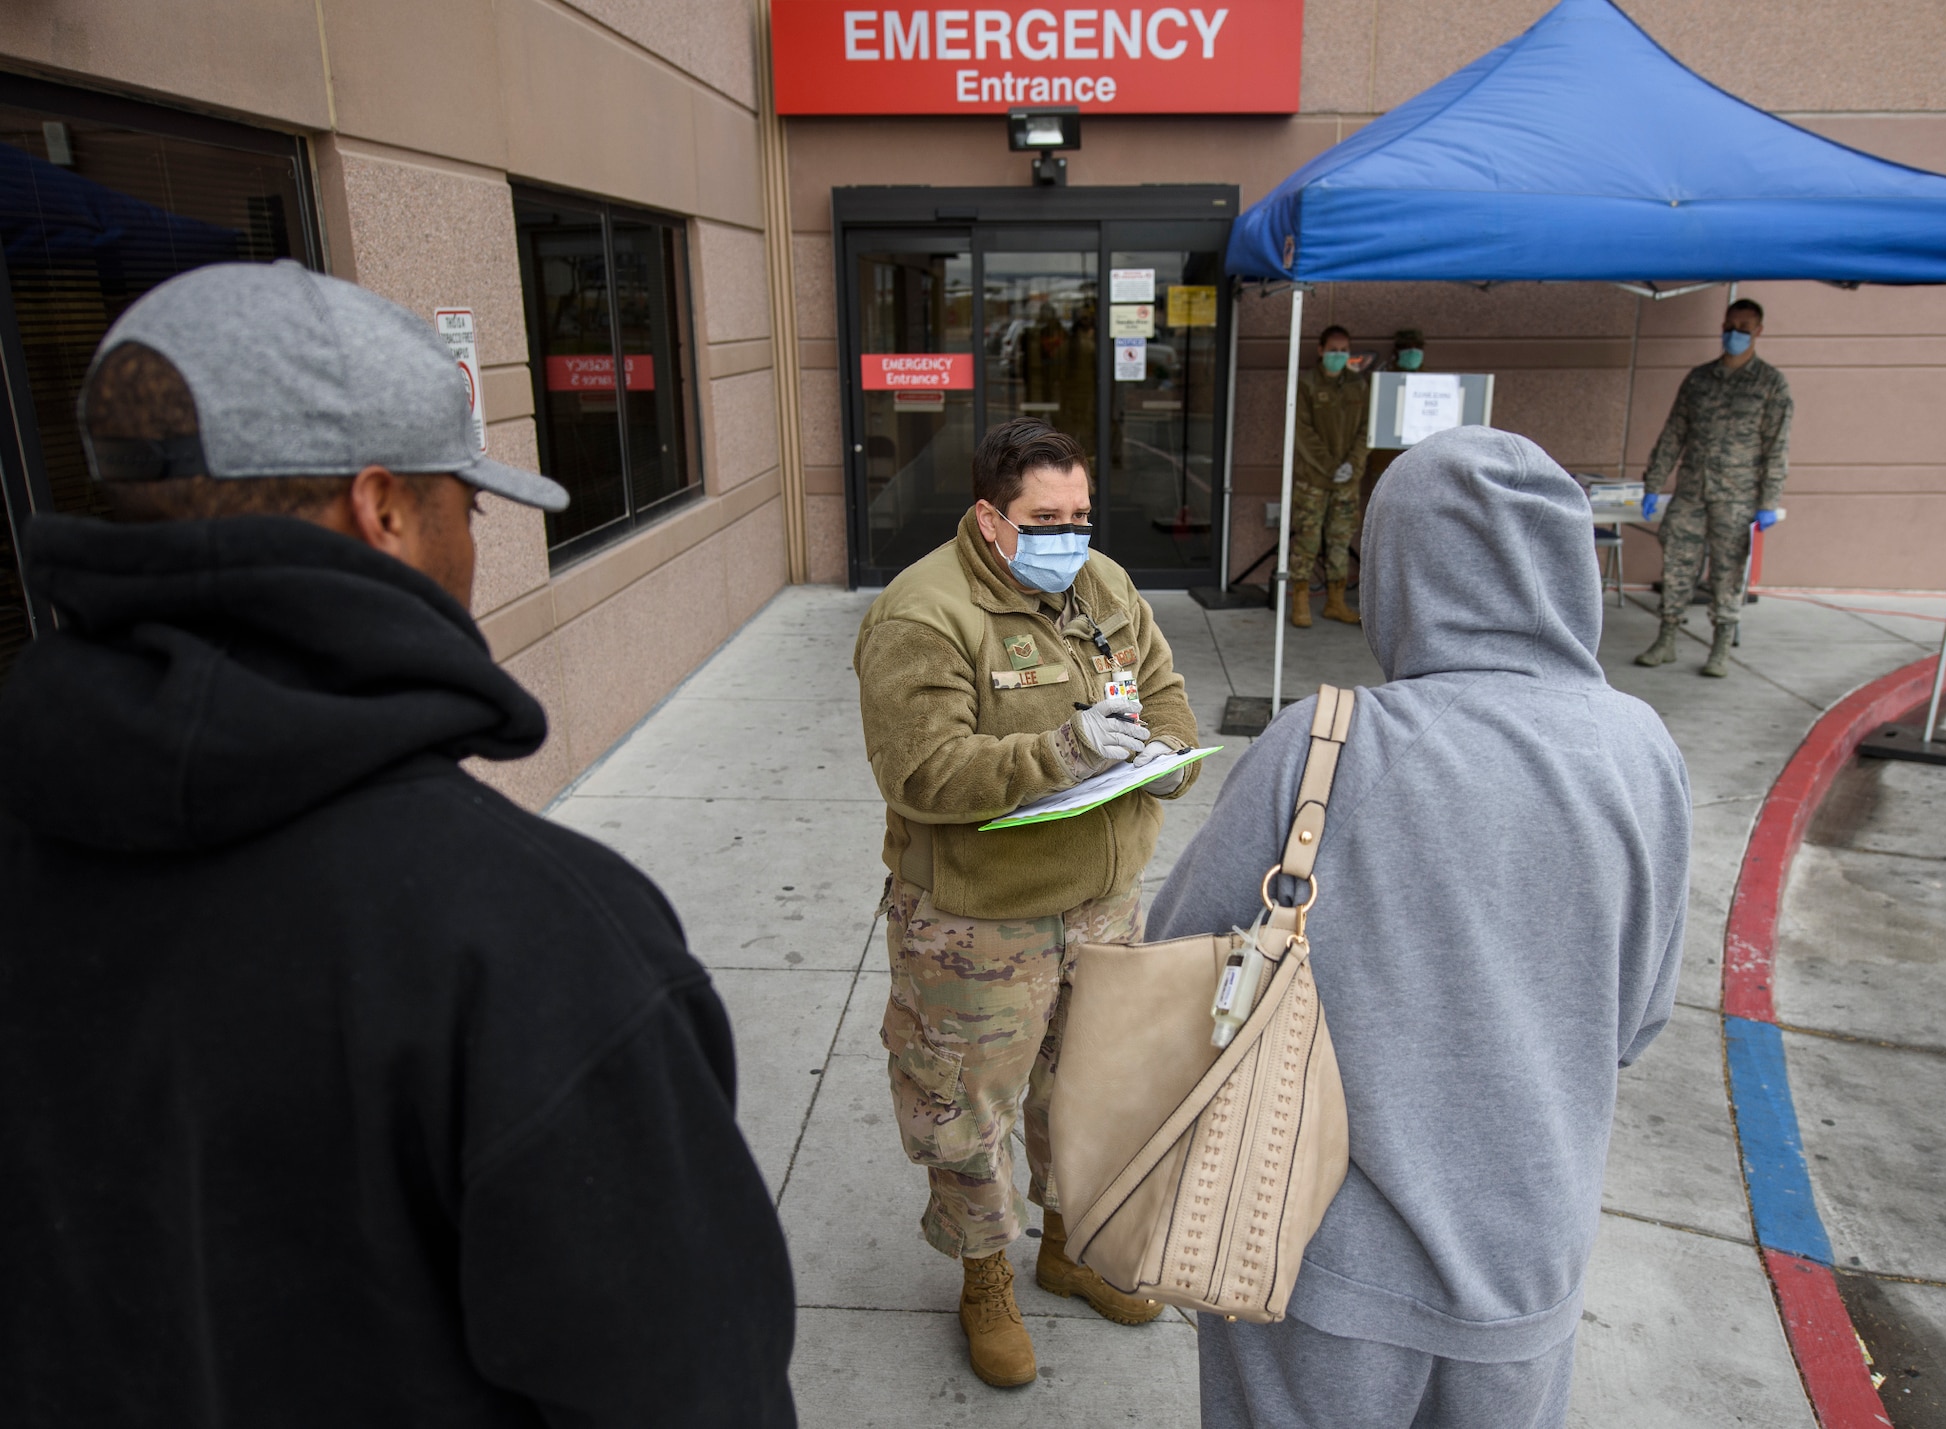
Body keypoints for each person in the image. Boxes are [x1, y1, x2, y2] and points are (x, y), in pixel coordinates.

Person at [0, 262, 797, 1428]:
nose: (472, 547)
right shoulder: (534, 938)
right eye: (464, 507)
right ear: (379, 508)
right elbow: (689, 1389)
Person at [1152, 426, 1690, 1429]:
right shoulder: (1642, 752)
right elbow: (1636, 1019)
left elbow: (1173, 964)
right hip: (1529, 1269)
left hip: (1316, 1266)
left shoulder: (1320, 745)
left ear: (1399, 569)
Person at [852, 417, 1202, 1388]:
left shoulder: (1102, 587)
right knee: (967, 1109)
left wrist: (1167, 757)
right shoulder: (922, 614)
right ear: (990, 519)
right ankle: (983, 1279)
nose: (1068, 534)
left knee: (1084, 1097)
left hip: (1101, 904)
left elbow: (1165, 692)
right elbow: (920, 770)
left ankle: (1066, 1245)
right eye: (1045, 518)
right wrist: (1064, 750)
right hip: (979, 924)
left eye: (1080, 514)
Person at [1635, 297, 1793, 678]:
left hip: (1737, 498)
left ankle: (1720, 647)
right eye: (1729, 325)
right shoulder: (1699, 379)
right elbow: (1674, 433)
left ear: (1758, 331)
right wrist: (1653, 483)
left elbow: (1777, 447)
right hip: (1692, 492)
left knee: (1727, 573)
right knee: (1677, 564)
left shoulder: (1770, 384)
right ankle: (1667, 638)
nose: (1734, 333)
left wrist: (1769, 501)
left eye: (1743, 327)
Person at [1288, 323, 1371, 629]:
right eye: (1333, 350)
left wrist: (1352, 464)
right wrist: (1330, 465)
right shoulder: (1307, 384)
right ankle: (1300, 600)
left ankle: (1335, 602)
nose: (1339, 355)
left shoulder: (1357, 385)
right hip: (1314, 479)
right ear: (1321, 350)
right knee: (1307, 538)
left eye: (1344, 351)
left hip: (1347, 481)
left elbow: (1366, 430)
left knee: (1339, 539)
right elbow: (1303, 433)